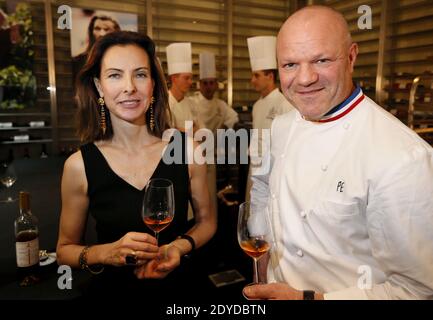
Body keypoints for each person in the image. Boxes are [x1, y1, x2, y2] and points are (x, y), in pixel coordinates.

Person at [247, 5, 433, 300]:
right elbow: (263, 191)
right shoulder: (281, 127)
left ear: (351, 56)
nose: (305, 78)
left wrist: (311, 299)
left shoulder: (403, 157)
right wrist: (262, 261)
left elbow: (420, 289)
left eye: (321, 60)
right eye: (290, 65)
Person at [57, 31, 216, 298]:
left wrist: (178, 247)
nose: (129, 86)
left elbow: (207, 222)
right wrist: (105, 252)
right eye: (115, 75)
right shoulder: (79, 166)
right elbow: (64, 250)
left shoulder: (188, 150)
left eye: (140, 74)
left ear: (154, 84)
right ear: (98, 86)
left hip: (180, 290)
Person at [245, 36, 294, 202]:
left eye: (256, 76)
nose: (252, 81)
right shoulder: (258, 105)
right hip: (255, 167)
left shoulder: (284, 103)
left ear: (270, 76)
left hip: (273, 171)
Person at [192, 51, 239, 212]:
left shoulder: (220, 104)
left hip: (213, 156)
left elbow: (233, 119)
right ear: (199, 84)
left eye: (212, 83)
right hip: (196, 156)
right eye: (205, 83)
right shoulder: (193, 103)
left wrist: (223, 133)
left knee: (211, 194)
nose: (209, 87)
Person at [72, 15, 120, 84]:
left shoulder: (122, 60)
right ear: (91, 32)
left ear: (116, 33)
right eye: (97, 29)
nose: (101, 33)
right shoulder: (78, 61)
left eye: (107, 29)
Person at [166, 42, 202, 132]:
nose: (190, 82)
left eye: (191, 78)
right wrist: (190, 131)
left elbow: (202, 131)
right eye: (186, 78)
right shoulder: (163, 103)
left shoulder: (192, 104)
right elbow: (166, 132)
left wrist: (180, 130)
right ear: (174, 78)